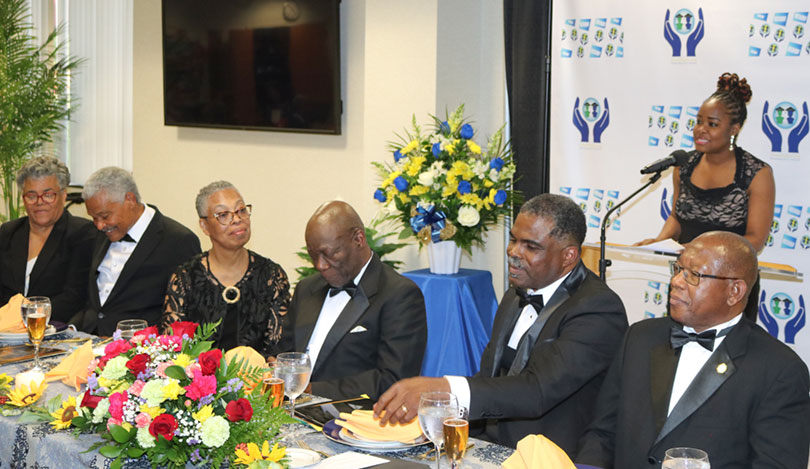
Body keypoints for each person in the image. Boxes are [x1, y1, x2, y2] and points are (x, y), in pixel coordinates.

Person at [375, 194, 628, 454]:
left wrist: (444, 387)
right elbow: (489, 379)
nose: (513, 252)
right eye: (513, 239)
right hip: (488, 448)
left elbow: (536, 390)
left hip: (551, 457)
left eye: (531, 246)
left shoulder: (598, 308)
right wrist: (441, 410)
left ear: (569, 256)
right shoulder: (515, 294)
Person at [576, 231, 810, 468]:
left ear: (734, 292)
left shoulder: (779, 370)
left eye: (693, 275)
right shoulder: (640, 338)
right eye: (677, 270)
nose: (676, 282)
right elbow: (602, 432)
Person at [636, 72, 774, 320]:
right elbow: (677, 218)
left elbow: (755, 239)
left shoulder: (757, 173)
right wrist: (659, 242)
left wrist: (702, 253)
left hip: (729, 284)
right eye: (698, 121)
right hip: (686, 279)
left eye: (712, 124)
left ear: (734, 129)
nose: (701, 130)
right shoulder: (683, 165)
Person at [288, 201, 427, 400]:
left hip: (353, 419)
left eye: (329, 254)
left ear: (358, 239)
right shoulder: (306, 289)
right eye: (313, 255)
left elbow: (393, 379)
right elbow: (284, 353)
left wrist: (311, 391)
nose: (320, 265)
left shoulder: (399, 294)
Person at [161, 181, 291, 355]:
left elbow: (279, 350)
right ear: (204, 226)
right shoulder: (185, 278)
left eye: (241, 210)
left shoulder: (271, 276)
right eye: (223, 214)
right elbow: (171, 349)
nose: (237, 219)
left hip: (258, 378)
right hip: (197, 380)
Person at [69, 167, 201, 336]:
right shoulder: (99, 233)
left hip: (139, 349)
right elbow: (92, 299)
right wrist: (71, 330)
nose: (99, 225)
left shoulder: (178, 241)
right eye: (94, 218)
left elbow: (189, 312)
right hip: (86, 338)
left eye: (105, 216)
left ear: (130, 199)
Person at [0, 156, 97, 322]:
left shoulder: (83, 233)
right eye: (31, 196)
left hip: (55, 330)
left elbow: (74, 296)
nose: (40, 202)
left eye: (48, 195)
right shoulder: (8, 232)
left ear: (63, 195)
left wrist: (23, 317)